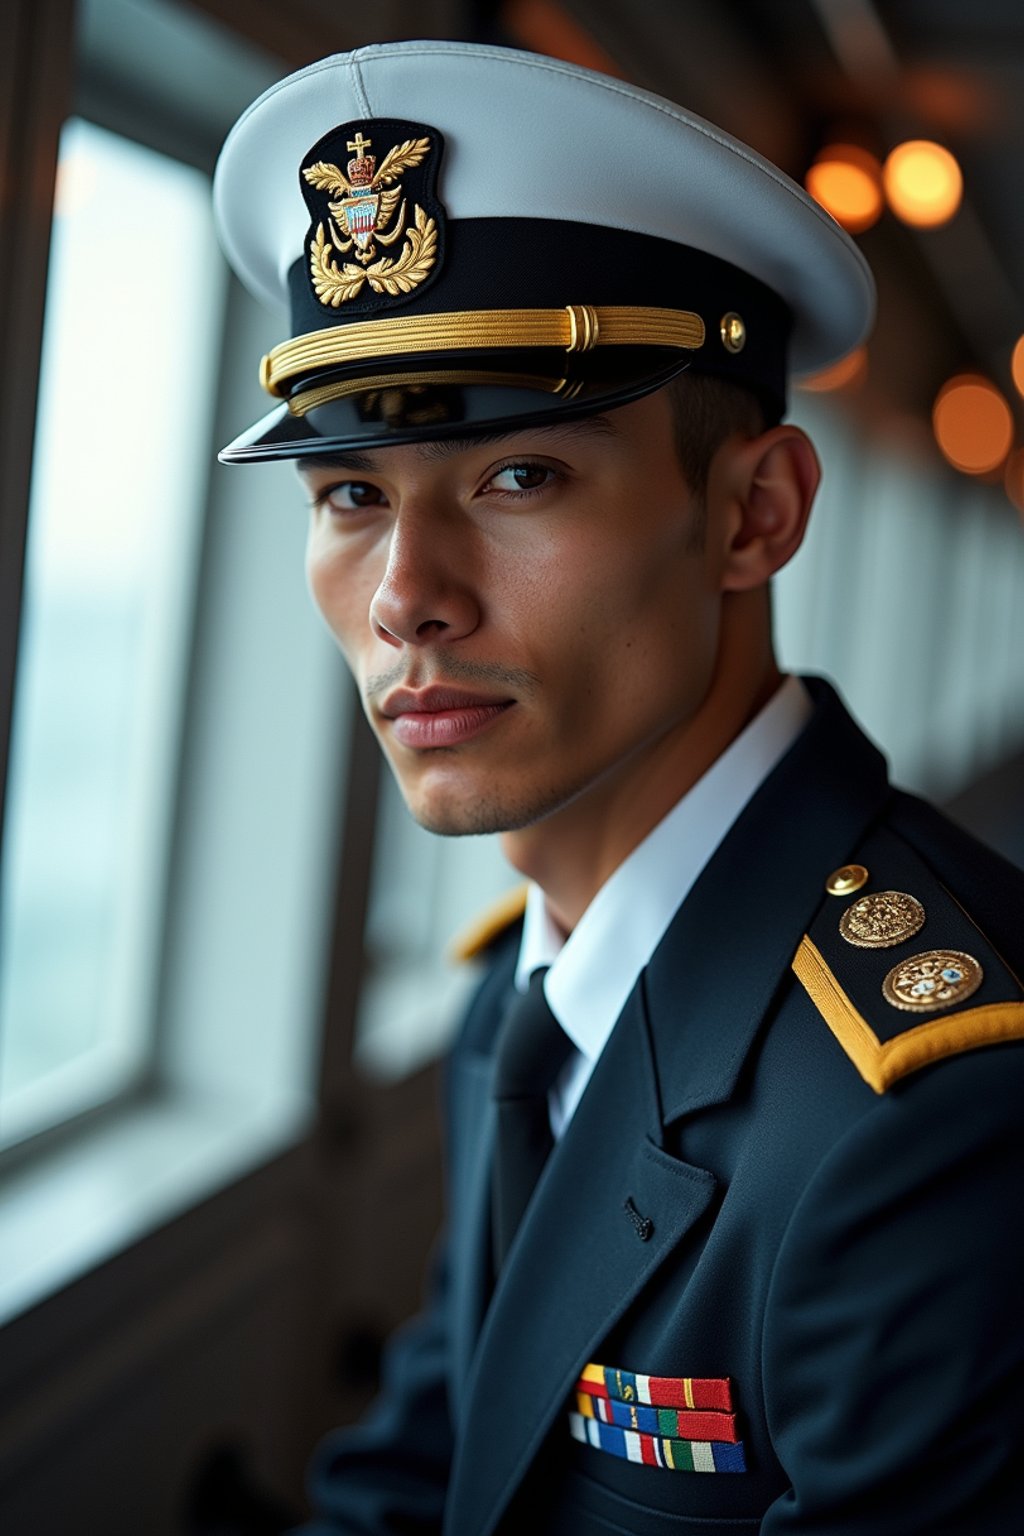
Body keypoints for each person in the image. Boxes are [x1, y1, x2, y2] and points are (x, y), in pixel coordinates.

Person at [213, 39, 1024, 1535]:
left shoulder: (938, 1112)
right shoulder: (521, 1004)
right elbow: (433, 1464)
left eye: (518, 477)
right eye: (350, 496)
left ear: (754, 514)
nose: (406, 600)